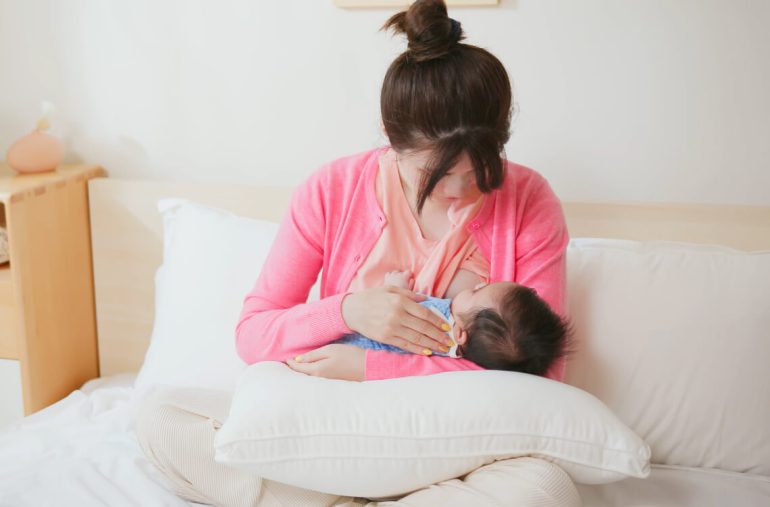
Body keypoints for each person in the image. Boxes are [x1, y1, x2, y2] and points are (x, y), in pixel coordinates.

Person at [136, 1, 580, 506]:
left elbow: (539, 376)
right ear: (393, 142)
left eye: (479, 170)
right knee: (164, 418)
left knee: (545, 490)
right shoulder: (331, 190)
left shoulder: (529, 199)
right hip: (339, 432)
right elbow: (254, 334)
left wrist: (372, 368)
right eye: (435, 175)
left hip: (458, 447)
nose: (459, 191)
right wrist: (347, 309)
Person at [330, 270, 571, 376]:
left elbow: (393, 309)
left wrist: (396, 286)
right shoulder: (458, 360)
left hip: (346, 343)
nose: (475, 285)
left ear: (459, 333)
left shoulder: (438, 318)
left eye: (478, 292)